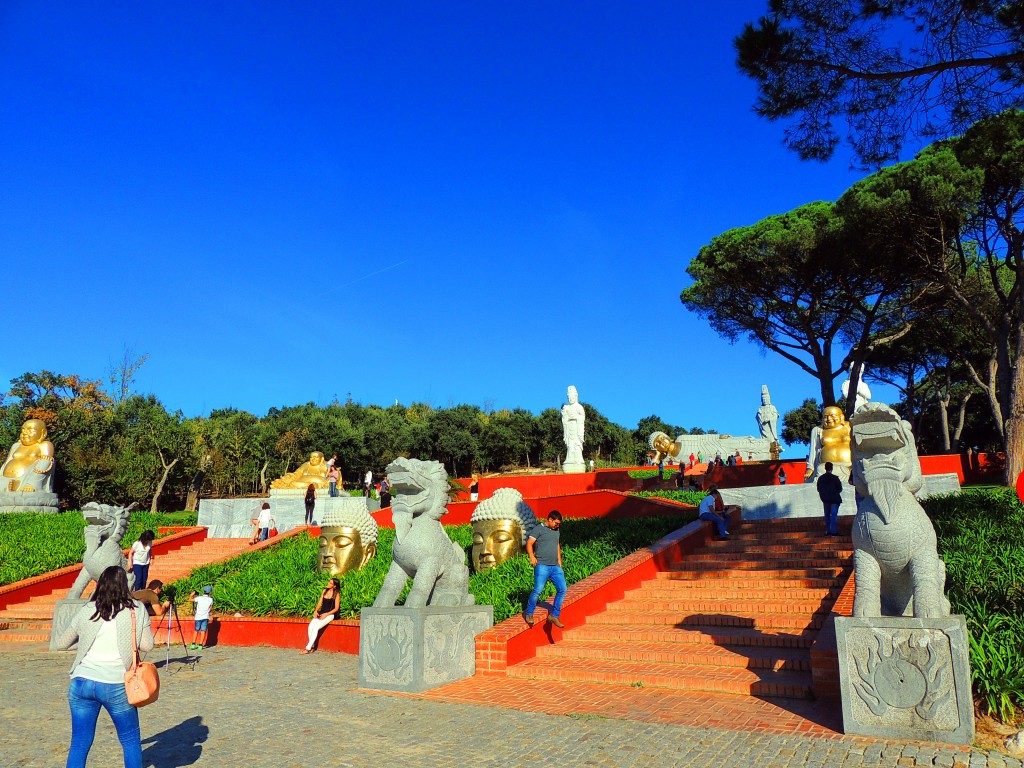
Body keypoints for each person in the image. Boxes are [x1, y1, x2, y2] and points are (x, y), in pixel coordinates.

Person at [53, 565, 154, 768]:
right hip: (115, 683)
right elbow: (147, 645)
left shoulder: (89, 609)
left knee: (79, 743)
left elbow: (61, 643)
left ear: (100, 585)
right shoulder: (135, 609)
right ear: (125, 585)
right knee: (130, 741)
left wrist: (86, 642)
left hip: (81, 681)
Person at [523, 511, 566, 629]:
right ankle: (529, 613)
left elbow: (557, 544)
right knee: (538, 590)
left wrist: (559, 561)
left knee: (562, 589)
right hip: (542, 565)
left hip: (555, 567)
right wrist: (532, 556)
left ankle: (554, 615)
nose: (558, 525)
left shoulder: (556, 530)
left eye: (559, 524)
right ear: (550, 519)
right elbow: (529, 543)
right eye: (556, 523)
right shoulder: (538, 529)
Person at [301, 578, 340, 654]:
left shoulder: (336, 594)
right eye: (329, 582)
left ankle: (307, 648)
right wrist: (316, 611)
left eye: (331, 583)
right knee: (310, 626)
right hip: (321, 612)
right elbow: (320, 603)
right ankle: (311, 646)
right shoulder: (324, 591)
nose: (328, 583)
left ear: (334, 586)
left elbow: (336, 608)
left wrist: (326, 614)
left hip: (330, 614)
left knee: (316, 627)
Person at [816, 461, 843, 536]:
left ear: (825, 468)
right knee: (833, 515)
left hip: (825, 499)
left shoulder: (821, 479)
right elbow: (840, 488)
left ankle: (828, 530)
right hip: (834, 499)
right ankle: (833, 531)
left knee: (827, 515)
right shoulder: (835, 478)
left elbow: (819, 489)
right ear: (832, 468)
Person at [189, 586, 213, 650]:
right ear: (210, 592)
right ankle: (200, 645)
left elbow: (190, 599)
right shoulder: (210, 599)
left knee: (196, 630)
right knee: (203, 631)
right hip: (205, 617)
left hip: (198, 617)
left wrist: (193, 593)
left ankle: (193, 644)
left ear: (204, 591)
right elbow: (211, 608)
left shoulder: (199, 598)